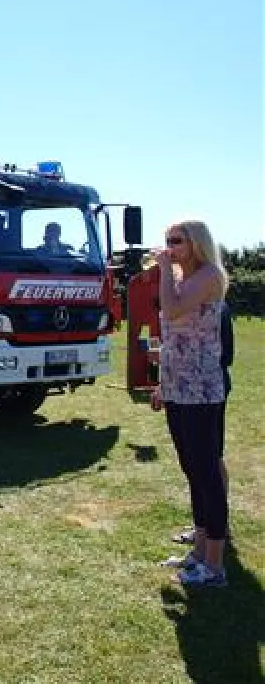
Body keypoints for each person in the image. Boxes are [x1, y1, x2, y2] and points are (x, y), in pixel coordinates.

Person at [150, 220, 230, 587]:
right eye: (167, 241)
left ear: (196, 243)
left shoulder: (209, 276)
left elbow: (171, 311)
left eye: (176, 241)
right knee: (192, 469)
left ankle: (214, 565)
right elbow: (172, 334)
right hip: (178, 386)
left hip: (201, 388)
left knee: (207, 474)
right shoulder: (182, 278)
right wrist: (161, 384)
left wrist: (165, 271)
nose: (169, 247)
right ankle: (198, 551)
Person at [172, 300, 235, 546]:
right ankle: (207, 527)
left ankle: (218, 527)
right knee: (207, 460)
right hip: (199, 390)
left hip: (209, 391)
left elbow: (224, 355)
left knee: (211, 460)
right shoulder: (201, 303)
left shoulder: (214, 307)